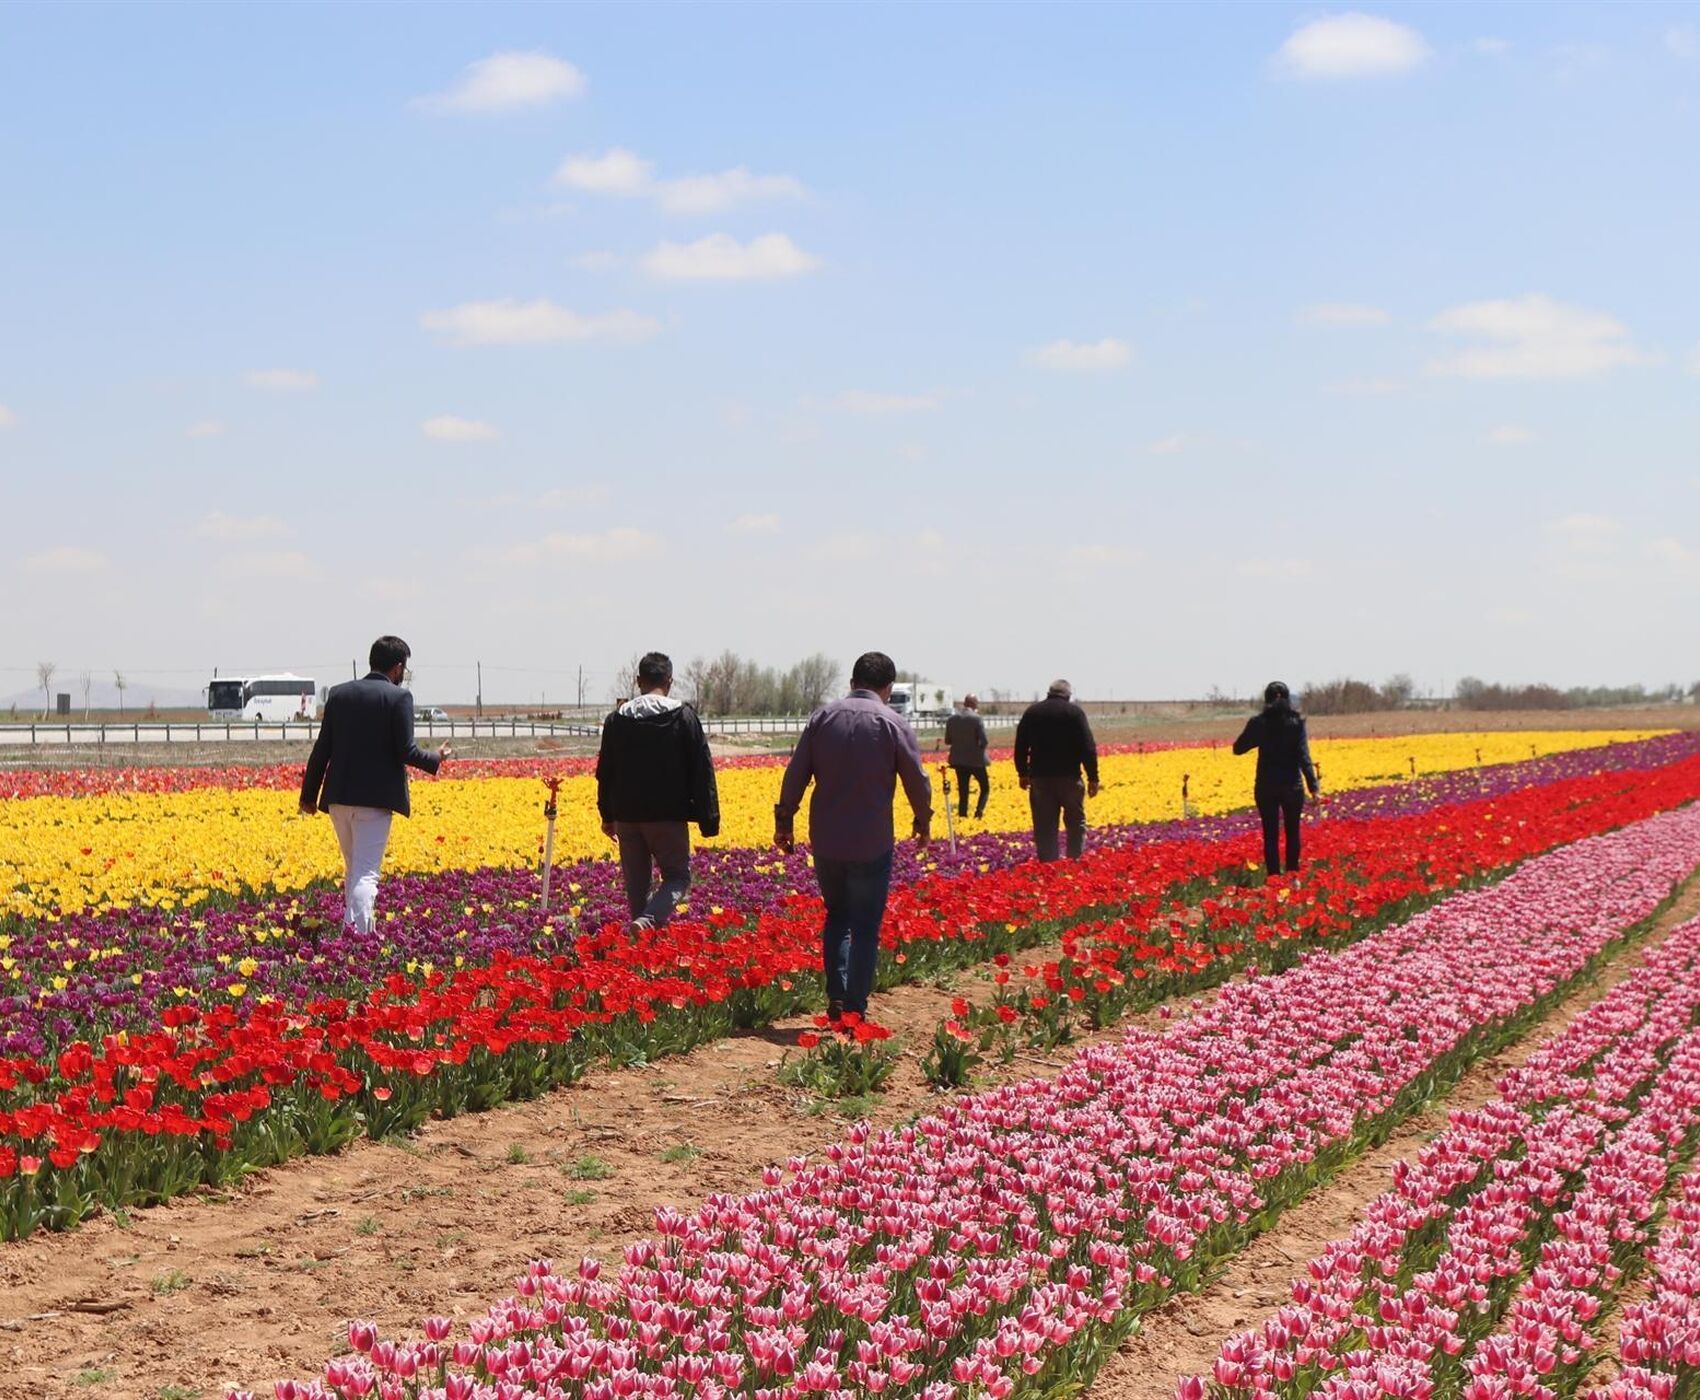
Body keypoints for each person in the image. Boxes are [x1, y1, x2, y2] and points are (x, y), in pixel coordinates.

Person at [774, 651, 932, 1023]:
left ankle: (837, 996)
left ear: (852, 682)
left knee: (837, 916)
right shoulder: (892, 722)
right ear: (888, 689)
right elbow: (917, 781)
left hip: (827, 838)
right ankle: (855, 1007)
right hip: (871, 840)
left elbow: (795, 773)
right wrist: (922, 822)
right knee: (864, 925)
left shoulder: (822, 718)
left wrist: (784, 821)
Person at [299, 635, 450, 934]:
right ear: (397, 668)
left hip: (339, 798)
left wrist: (308, 796)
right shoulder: (399, 698)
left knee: (354, 869)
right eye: (403, 671)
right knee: (367, 873)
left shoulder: (340, 695)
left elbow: (321, 750)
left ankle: (359, 931)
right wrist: (436, 757)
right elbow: (405, 750)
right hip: (375, 801)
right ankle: (357, 937)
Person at [596, 651, 721, 931]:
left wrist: (607, 814)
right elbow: (702, 769)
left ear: (638, 680)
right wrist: (708, 818)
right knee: (677, 877)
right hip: (668, 816)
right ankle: (648, 923)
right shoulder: (683, 717)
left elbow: (605, 772)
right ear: (670, 681)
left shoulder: (617, 720)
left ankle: (640, 949)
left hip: (627, 817)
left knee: (637, 889)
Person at [1232, 680, 1321, 877]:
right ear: (1288, 699)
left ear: (1266, 699)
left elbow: (1238, 749)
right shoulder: (1296, 723)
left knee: (1270, 834)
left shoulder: (1258, 723)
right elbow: (1303, 756)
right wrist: (1313, 788)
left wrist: (1259, 737)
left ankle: (1273, 878)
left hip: (1266, 785)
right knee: (1293, 832)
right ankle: (1292, 876)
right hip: (1292, 785)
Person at [1014, 679, 1099, 862]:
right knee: (1075, 823)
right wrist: (1093, 777)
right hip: (1070, 777)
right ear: (1068, 696)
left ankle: (1049, 866)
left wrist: (1022, 772)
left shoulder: (1033, 712)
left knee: (1045, 825)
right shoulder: (1074, 713)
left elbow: (1020, 745)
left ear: (1049, 693)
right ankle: (1074, 861)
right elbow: (1087, 747)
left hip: (1041, 778)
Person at [942, 693, 990, 819]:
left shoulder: (952, 719)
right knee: (985, 788)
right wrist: (979, 750)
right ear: (974, 704)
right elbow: (984, 741)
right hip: (976, 761)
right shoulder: (976, 719)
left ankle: (962, 816)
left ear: (964, 703)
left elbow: (947, 741)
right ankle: (978, 812)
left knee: (963, 791)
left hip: (958, 761)